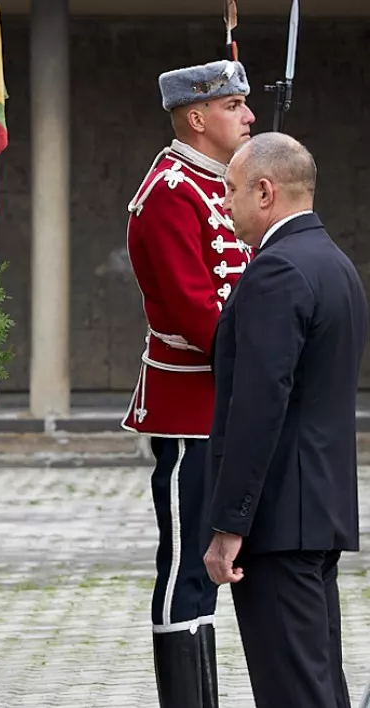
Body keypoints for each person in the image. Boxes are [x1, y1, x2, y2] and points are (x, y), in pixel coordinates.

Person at [203, 132, 367, 708]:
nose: (225, 204)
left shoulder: (276, 271)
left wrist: (228, 526)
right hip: (317, 513)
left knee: (293, 693)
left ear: (265, 192)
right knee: (319, 685)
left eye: (230, 190)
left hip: (278, 521)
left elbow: (258, 407)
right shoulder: (335, 264)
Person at [121, 58, 256, 707]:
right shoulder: (171, 190)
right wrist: (262, 360)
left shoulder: (222, 183)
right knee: (186, 569)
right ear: (198, 118)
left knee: (227, 564)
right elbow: (193, 309)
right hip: (191, 408)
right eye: (235, 106)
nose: (249, 116)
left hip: (234, 401)